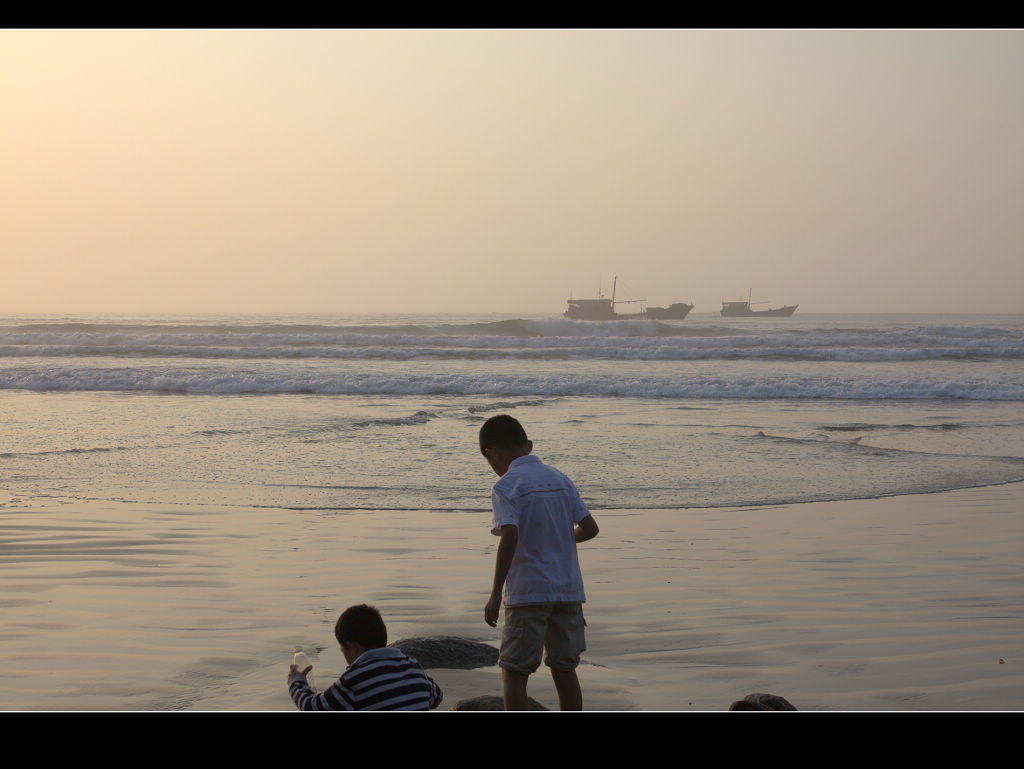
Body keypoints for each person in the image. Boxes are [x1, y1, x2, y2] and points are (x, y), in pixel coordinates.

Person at [479, 414, 599, 711]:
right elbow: (591, 528)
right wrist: (557, 538)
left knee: (515, 670)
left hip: (528, 592)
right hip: (567, 590)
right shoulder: (560, 478)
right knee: (564, 667)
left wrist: (495, 594)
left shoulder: (506, 486)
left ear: (490, 454)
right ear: (529, 445)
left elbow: (510, 537)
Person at [288, 603, 443, 711]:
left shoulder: (355, 678)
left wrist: (297, 682)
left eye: (343, 650)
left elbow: (312, 707)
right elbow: (437, 697)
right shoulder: (412, 667)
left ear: (353, 647)